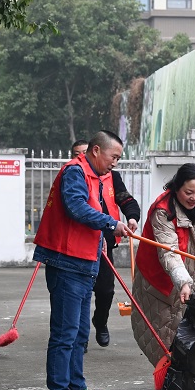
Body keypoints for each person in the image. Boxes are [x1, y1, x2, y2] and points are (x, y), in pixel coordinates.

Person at [33, 131, 133, 390]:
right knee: (64, 331)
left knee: (79, 331)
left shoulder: (99, 176)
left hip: (86, 260)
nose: (115, 163)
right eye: (113, 157)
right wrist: (111, 224)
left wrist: (111, 228)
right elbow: (76, 207)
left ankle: (76, 385)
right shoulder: (75, 172)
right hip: (66, 262)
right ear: (97, 150)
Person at [132, 163, 195, 368]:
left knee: (184, 329)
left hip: (187, 272)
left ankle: (178, 379)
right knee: (162, 334)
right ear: (176, 188)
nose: (194, 197)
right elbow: (169, 252)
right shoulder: (163, 211)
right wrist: (184, 281)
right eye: (188, 192)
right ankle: (166, 381)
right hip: (157, 277)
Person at [70, 139, 141, 351]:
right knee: (79, 292)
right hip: (78, 244)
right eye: (78, 154)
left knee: (105, 290)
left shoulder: (111, 177)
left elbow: (126, 200)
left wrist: (131, 217)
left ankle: (99, 322)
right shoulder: (73, 175)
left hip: (103, 245)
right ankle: (79, 339)